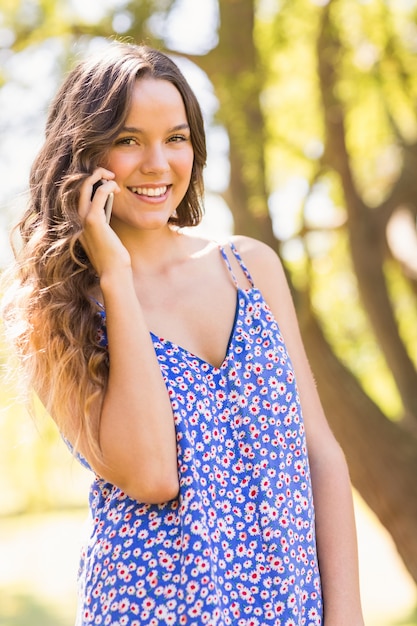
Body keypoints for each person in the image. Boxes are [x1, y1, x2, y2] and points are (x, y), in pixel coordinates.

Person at [1, 41, 364, 626]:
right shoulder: (54, 313)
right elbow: (153, 475)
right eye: (127, 140)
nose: (157, 163)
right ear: (84, 154)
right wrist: (116, 278)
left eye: (176, 137)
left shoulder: (250, 268)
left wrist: (346, 617)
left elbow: (319, 453)